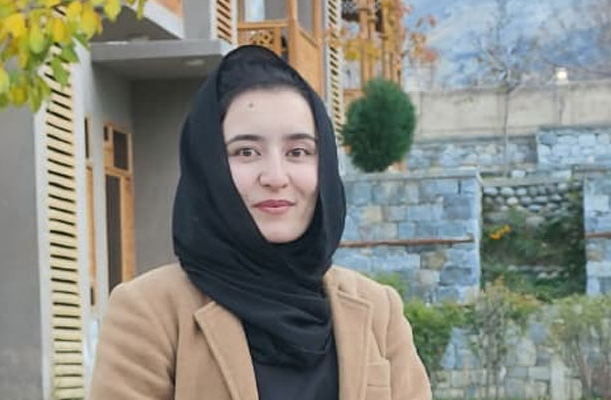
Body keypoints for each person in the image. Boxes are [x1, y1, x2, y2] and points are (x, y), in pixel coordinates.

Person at [88, 45, 431, 400]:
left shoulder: (378, 310)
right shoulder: (150, 311)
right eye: (246, 152)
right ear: (209, 165)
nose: (275, 177)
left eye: (298, 152)